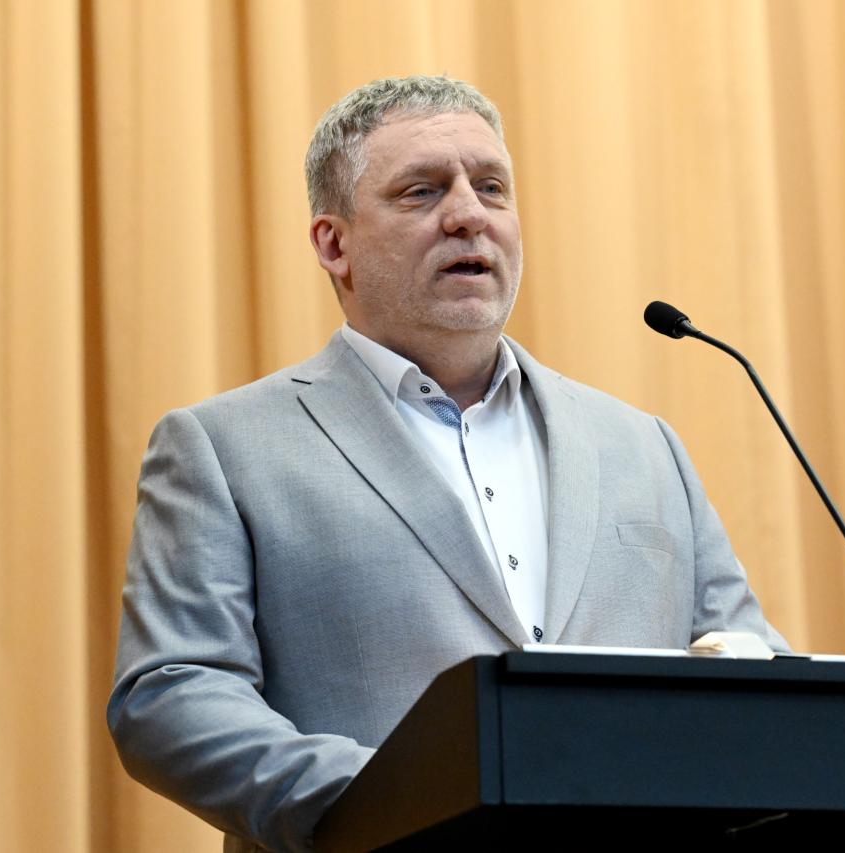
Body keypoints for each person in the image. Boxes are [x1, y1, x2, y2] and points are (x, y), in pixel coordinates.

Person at [108, 75, 787, 853]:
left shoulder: (644, 447)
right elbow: (172, 697)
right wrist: (404, 803)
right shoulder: (225, 449)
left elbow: (751, 669)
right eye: (422, 191)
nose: (469, 215)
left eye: (491, 187)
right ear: (334, 244)